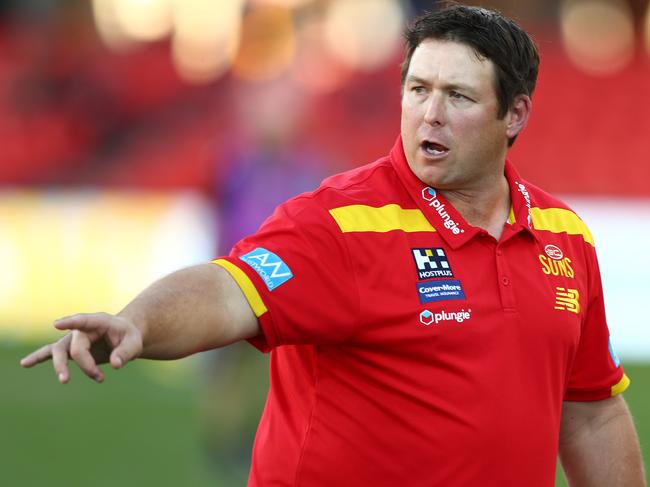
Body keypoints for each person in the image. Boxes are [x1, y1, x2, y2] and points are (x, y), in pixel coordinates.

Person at [21, 5, 645, 487]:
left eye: (457, 96)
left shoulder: (563, 236)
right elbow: (227, 288)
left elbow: (590, 412)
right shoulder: (344, 222)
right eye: (417, 88)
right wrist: (138, 322)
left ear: (515, 115)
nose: (429, 113)